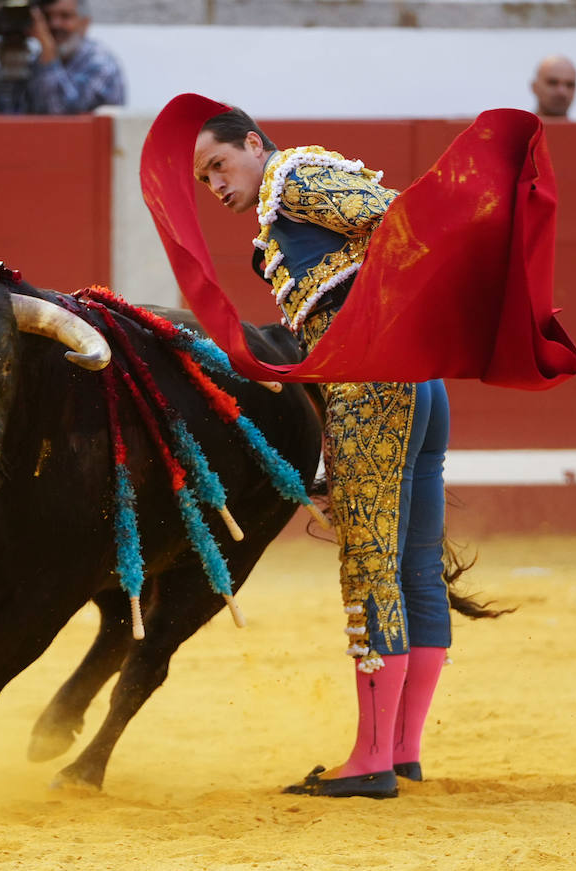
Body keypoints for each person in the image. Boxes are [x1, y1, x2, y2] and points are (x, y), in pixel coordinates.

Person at [192, 109, 455, 799]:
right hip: (412, 379)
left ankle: (370, 762)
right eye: (202, 179)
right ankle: (401, 751)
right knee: (415, 565)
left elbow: (402, 220)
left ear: (253, 144)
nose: (214, 185)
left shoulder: (293, 174)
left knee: (373, 563)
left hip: (376, 380)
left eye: (218, 165)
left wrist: (378, 320)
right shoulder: (287, 206)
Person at [0, 0, 125, 114]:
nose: (55, 24)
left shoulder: (100, 62)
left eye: (65, 16)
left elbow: (61, 117)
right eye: (48, 17)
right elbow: (17, 116)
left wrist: (48, 53)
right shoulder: (37, 62)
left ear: (84, 23)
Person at [531, 54, 576, 121]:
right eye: (553, 83)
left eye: (570, 85)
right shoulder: (517, 131)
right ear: (534, 87)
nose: (562, 92)